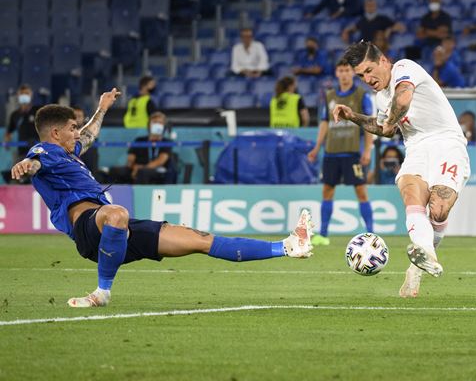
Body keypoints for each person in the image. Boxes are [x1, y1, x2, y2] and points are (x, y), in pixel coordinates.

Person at [10, 89, 314, 308]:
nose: (78, 133)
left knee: (199, 239)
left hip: (114, 232)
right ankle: (102, 292)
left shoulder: (67, 151)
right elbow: (35, 163)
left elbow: (89, 136)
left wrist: (102, 108)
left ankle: (288, 246)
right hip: (89, 228)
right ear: (54, 132)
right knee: (117, 213)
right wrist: (26, 166)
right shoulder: (44, 152)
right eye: (72, 128)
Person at [338, 41, 471, 298]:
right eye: (361, 76)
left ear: (384, 61)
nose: (367, 79)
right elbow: (382, 128)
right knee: (411, 194)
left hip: (447, 142)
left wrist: (389, 122)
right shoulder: (380, 98)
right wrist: (352, 116)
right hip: (417, 149)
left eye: (369, 70)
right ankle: (425, 256)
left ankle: (416, 266)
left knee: (439, 208)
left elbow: (404, 97)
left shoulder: (404, 68)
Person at [307, 59, 375, 246]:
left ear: (353, 72)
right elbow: (324, 123)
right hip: (331, 152)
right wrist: (317, 147)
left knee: (361, 191)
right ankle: (323, 234)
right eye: (340, 70)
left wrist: (367, 150)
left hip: (352, 152)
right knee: (327, 191)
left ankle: (372, 234)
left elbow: (369, 124)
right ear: (336, 73)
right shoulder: (329, 96)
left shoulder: (362, 95)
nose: (344, 74)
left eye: (347, 70)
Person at [110, 112, 174, 184]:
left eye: (160, 123)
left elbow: (160, 161)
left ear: (164, 126)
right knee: (115, 170)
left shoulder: (166, 142)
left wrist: (142, 168)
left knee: (142, 173)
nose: (157, 125)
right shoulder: (139, 140)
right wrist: (134, 167)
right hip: (136, 167)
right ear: (149, 125)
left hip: (155, 170)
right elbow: (130, 159)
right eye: (155, 122)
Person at [341, 0, 406, 43]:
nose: (370, 7)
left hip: (378, 48)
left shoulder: (383, 19)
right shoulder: (362, 20)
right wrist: (346, 31)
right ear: (365, 7)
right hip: (364, 49)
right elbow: (355, 27)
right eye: (368, 5)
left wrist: (390, 29)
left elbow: (400, 27)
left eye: (372, 5)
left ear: (376, 6)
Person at [4, 85, 39, 162]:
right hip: (22, 153)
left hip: (38, 151)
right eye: (22, 93)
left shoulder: (38, 111)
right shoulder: (15, 115)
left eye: (26, 93)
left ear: (31, 95)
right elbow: (9, 132)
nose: (24, 95)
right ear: (18, 95)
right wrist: (6, 141)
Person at [73, 107, 101, 179]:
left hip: (88, 159)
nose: (76, 119)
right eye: (74, 116)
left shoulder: (90, 133)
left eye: (79, 116)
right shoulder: (65, 132)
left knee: (91, 150)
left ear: (84, 118)